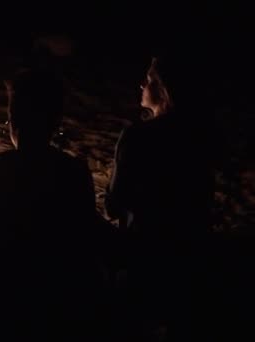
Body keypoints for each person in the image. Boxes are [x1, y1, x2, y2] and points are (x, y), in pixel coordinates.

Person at [0, 68, 107, 340]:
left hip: (5, 297)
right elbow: (84, 235)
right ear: (56, 121)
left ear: (14, 121)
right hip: (60, 297)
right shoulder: (74, 172)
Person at [105, 55, 216, 340]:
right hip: (191, 252)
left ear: (166, 90)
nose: (142, 84)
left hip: (144, 253)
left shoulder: (138, 137)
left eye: (151, 80)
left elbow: (114, 205)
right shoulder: (200, 139)